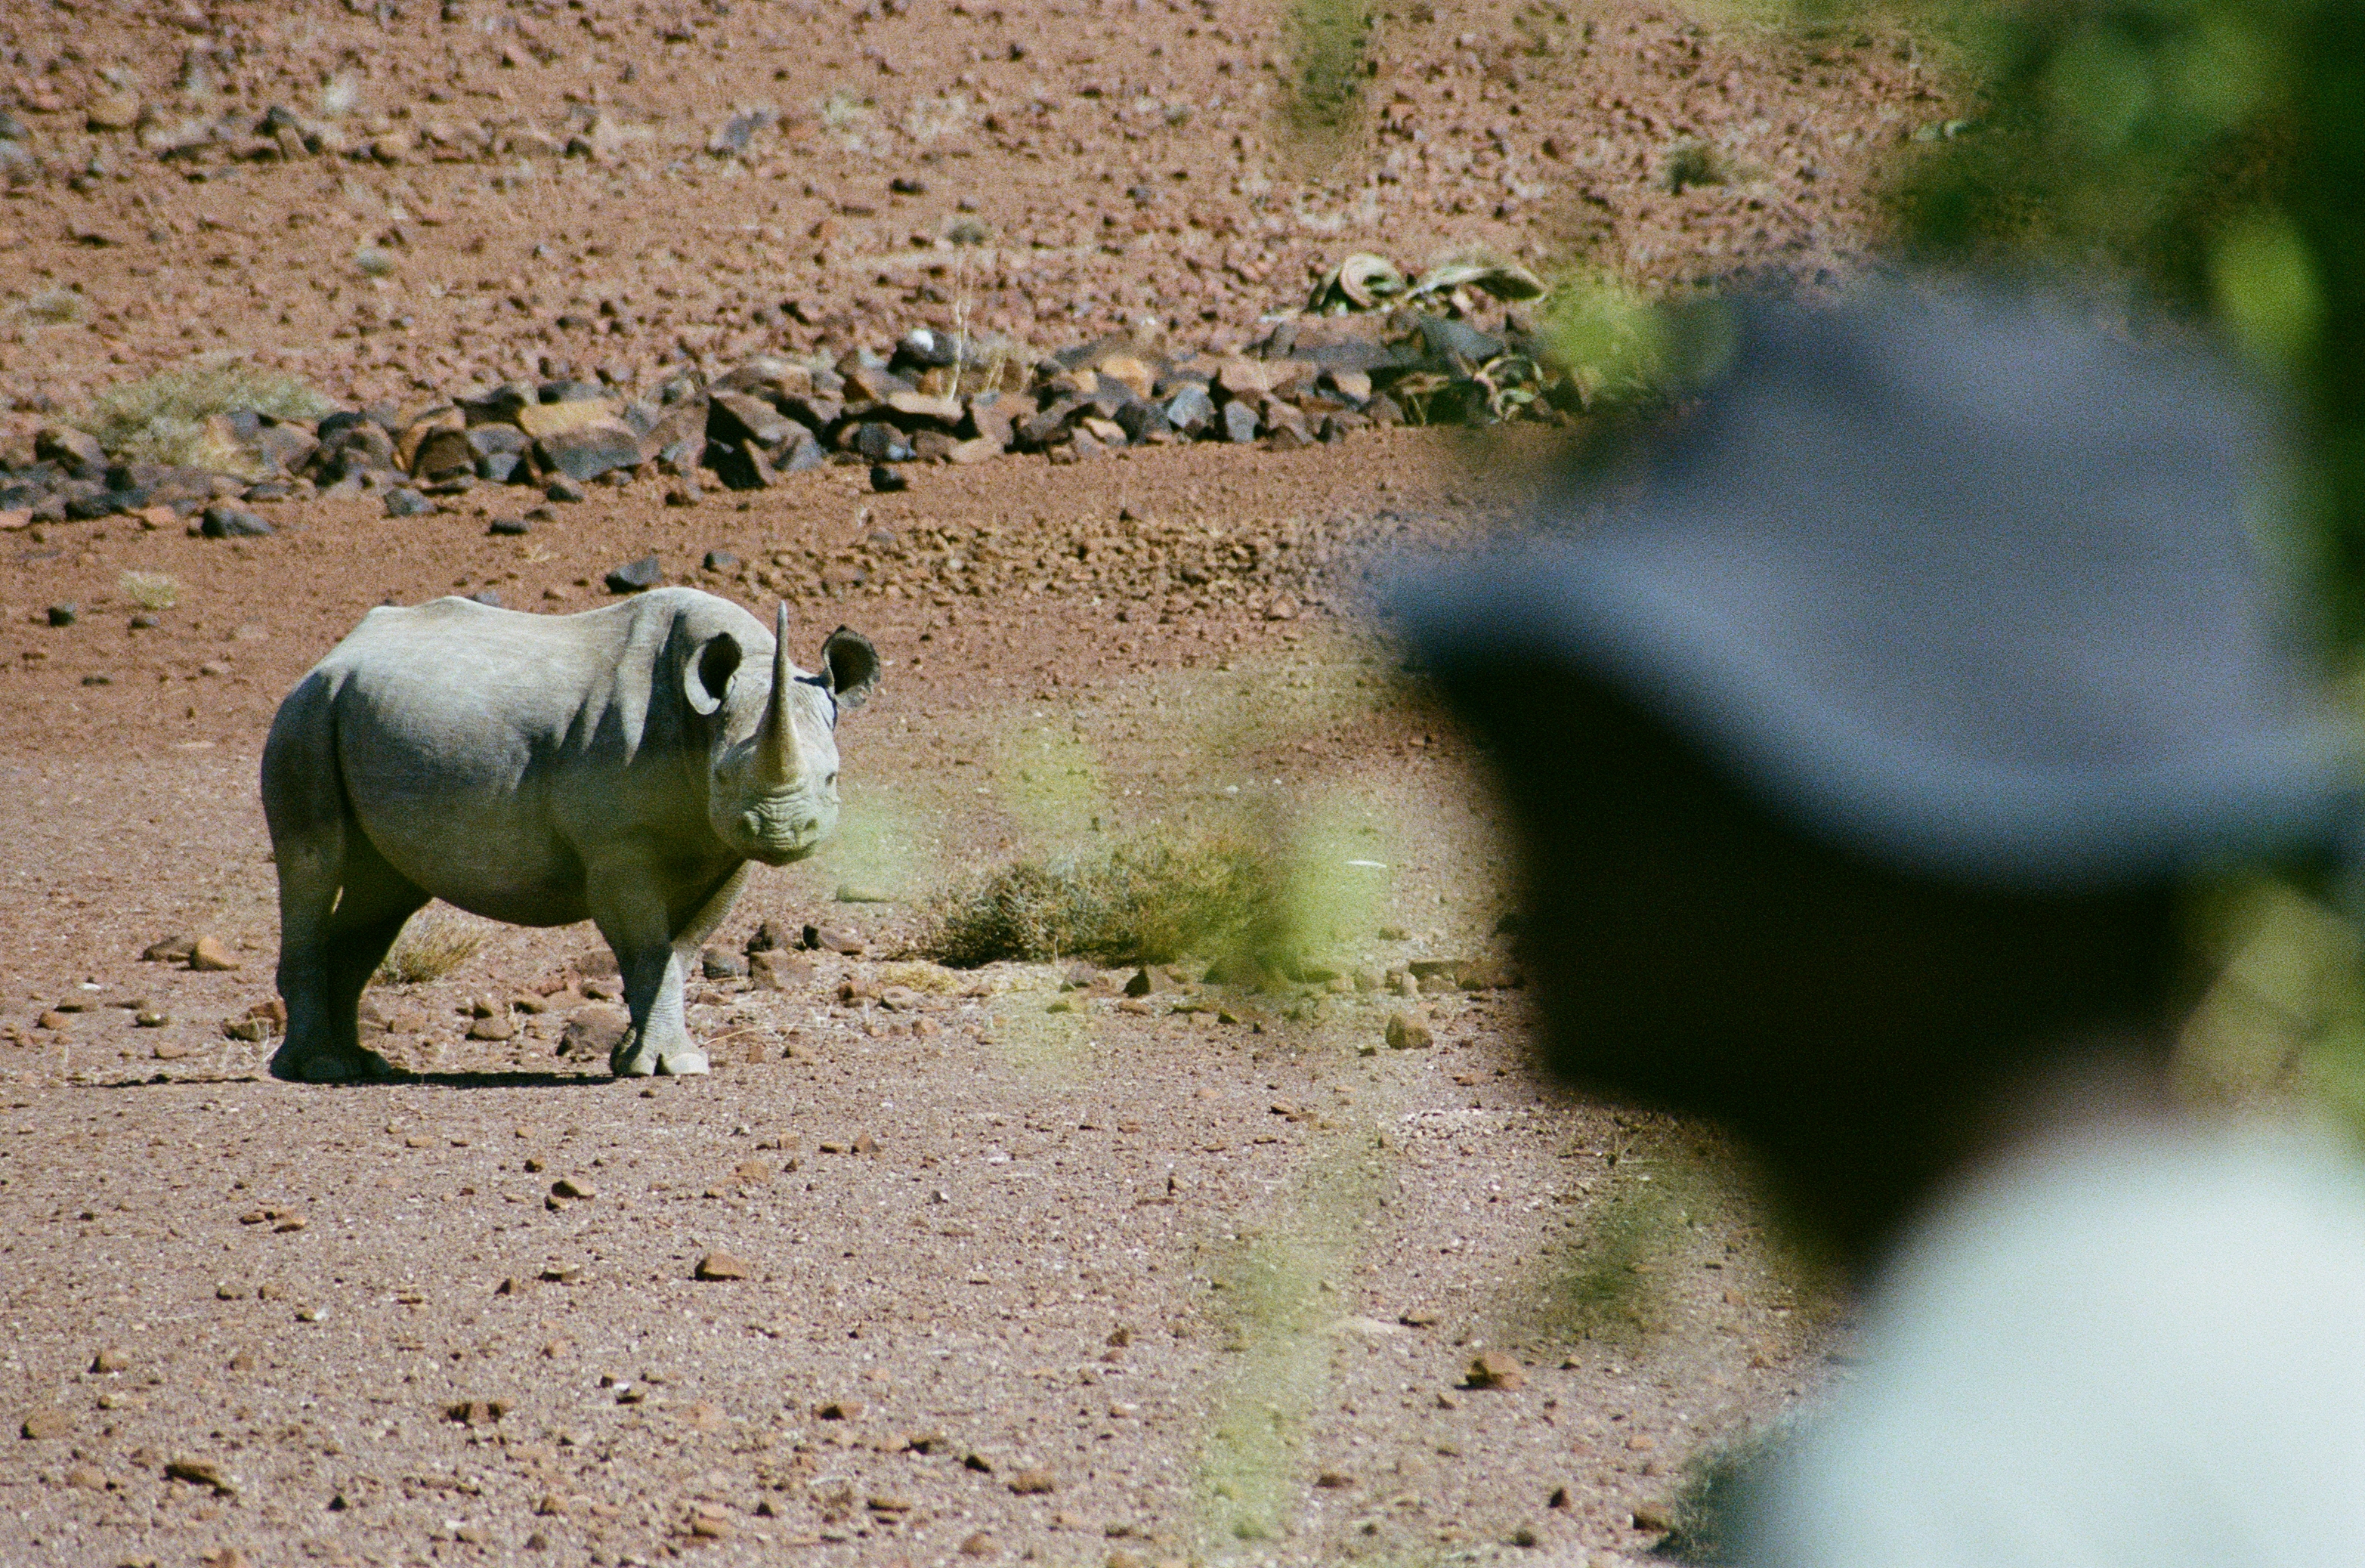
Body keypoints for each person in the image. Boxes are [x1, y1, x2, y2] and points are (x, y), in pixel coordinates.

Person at [1395, 281, 2365, 1564]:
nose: (1533, 848)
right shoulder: (2308, 1286)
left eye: (1631, 773)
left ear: (1881, 864)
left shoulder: (1945, 1492)